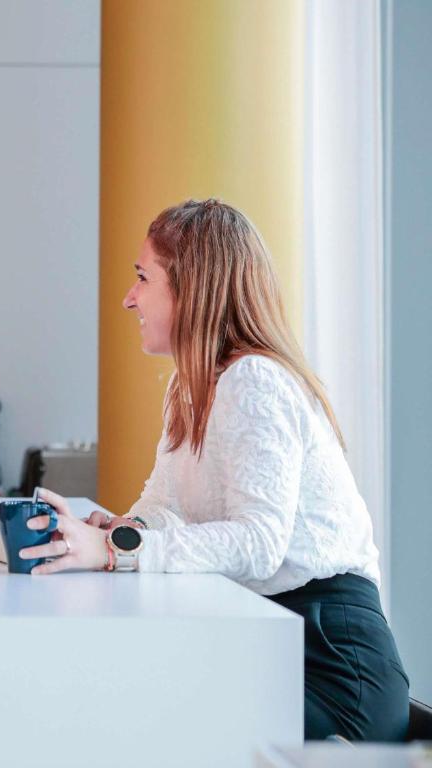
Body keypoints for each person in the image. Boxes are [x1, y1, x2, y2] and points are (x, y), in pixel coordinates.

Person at [23, 199, 410, 741]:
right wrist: (111, 531)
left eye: (143, 278)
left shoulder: (255, 381)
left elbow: (258, 544)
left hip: (332, 668)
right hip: (273, 641)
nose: (128, 299)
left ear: (194, 288)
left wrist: (116, 554)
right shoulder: (191, 387)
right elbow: (163, 509)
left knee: (142, 720)